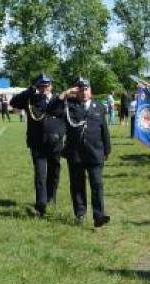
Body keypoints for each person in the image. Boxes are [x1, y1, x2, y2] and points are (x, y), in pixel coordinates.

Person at [49, 77, 111, 228]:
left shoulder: (99, 107)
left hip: (95, 152)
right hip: (75, 152)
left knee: (97, 183)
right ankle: (80, 214)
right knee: (77, 185)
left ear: (91, 91)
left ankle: (99, 216)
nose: (84, 92)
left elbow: (104, 129)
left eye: (86, 89)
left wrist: (107, 149)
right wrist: (66, 92)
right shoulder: (69, 106)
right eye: (81, 89)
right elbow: (50, 109)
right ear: (76, 91)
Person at [10, 74, 65, 217]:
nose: (44, 88)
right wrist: (30, 90)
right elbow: (13, 102)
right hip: (37, 142)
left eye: (46, 86)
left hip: (55, 142)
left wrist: (60, 134)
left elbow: (64, 118)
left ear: (51, 86)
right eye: (41, 86)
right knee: (40, 173)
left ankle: (51, 197)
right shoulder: (31, 99)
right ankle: (41, 204)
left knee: (54, 171)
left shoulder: (58, 99)